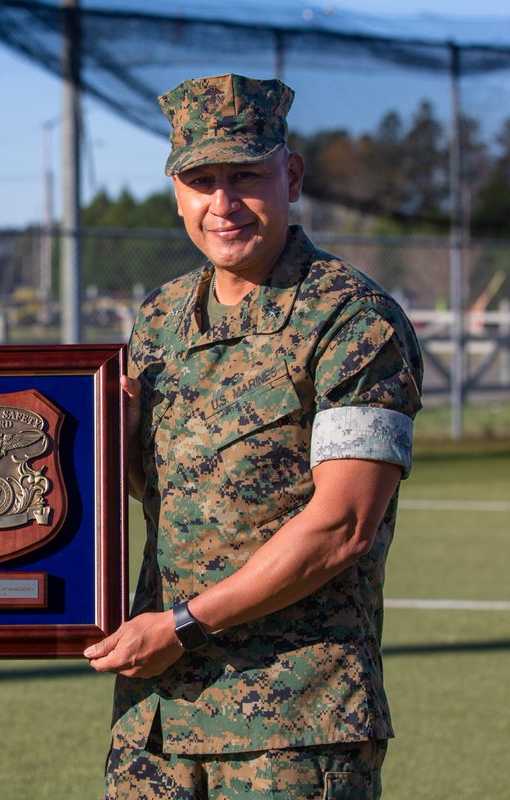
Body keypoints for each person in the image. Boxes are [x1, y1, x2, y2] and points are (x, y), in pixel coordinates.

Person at [84, 73, 424, 798]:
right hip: (159, 722)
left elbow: (343, 526)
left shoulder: (355, 322)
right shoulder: (162, 319)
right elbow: (170, 492)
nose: (223, 204)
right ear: (176, 191)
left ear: (291, 176)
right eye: (201, 180)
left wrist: (179, 625)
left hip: (295, 726)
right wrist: (116, 443)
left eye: (245, 176)